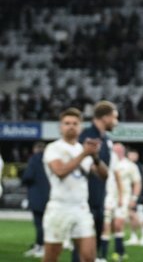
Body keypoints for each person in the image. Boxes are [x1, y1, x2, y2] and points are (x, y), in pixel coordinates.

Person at [42, 107, 108, 262]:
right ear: (60, 127)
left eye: (75, 123)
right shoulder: (53, 148)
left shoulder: (81, 149)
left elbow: (104, 175)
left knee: (89, 257)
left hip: (81, 207)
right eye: (67, 123)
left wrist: (96, 157)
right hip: (59, 207)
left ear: (80, 127)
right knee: (51, 257)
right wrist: (84, 154)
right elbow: (59, 171)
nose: (71, 126)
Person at [73, 100, 119, 262]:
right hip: (85, 201)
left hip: (99, 200)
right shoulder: (86, 137)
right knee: (82, 251)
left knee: (93, 249)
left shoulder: (105, 139)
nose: (116, 122)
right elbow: (82, 167)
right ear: (105, 117)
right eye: (115, 118)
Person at [21, 141, 51, 258]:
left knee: (39, 223)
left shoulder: (34, 159)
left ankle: (40, 246)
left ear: (35, 149)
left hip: (37, 196)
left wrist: (23, 180)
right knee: (47, 223)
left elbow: (28, 176)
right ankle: (44, 245)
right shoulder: (51, 159)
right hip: (51, 195)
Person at [124, 148, 143, 247]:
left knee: (132, 213)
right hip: (130, 193)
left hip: (135, 194)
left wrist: (135, 196)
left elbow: (138, 183)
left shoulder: (137, 167)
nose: (133, 156)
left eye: (135, 155)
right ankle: (134, 237)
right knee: (131, 215)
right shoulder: (129, 166)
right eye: (132, 154)